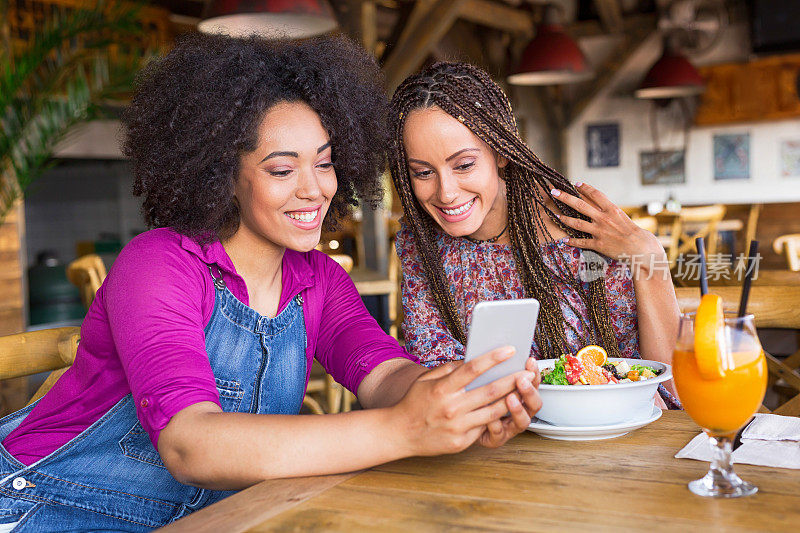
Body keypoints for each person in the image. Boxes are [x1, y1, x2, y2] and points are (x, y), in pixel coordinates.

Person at [0, 36, 541, 532]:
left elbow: (383, 372)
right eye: (282, 170)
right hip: (43, 509)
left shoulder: (319, 280)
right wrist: (404, 429)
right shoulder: (158, 264)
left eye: (325, 164)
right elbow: (191, 446)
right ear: (222, 173)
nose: (314, 190)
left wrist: (452, 395)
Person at [387, 62, 680, 407]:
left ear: (500, 153)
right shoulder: (418, 239)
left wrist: (649, 254)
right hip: (492, 436)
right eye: (422, 172)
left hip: (606, 424)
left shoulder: (577, 226)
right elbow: (434, 366)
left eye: (464, 165)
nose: (446, 192)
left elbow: (659, 383)